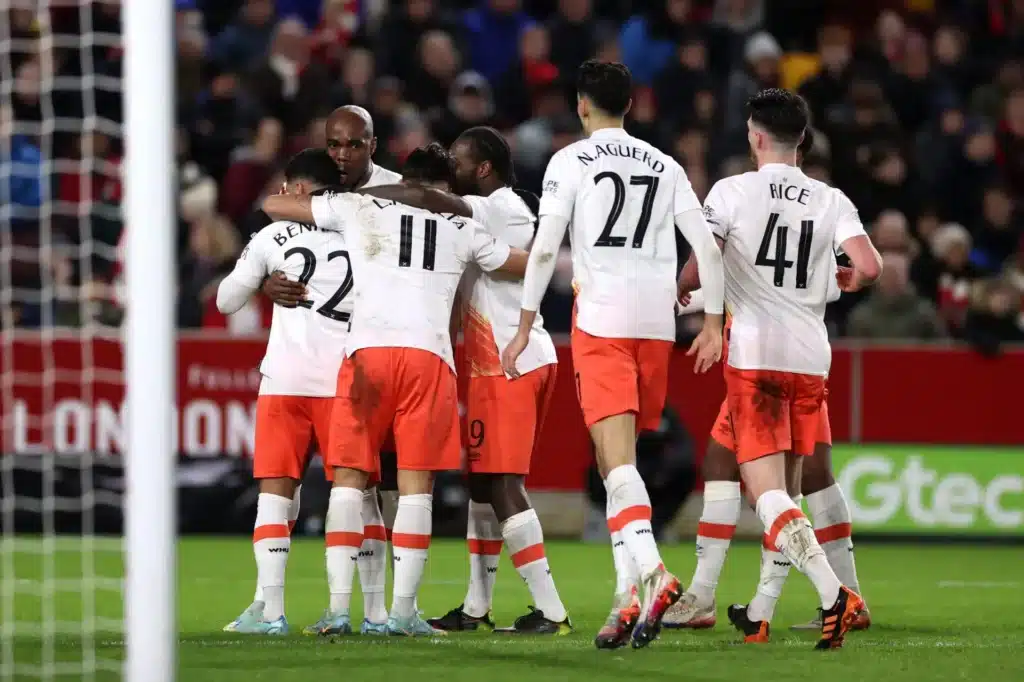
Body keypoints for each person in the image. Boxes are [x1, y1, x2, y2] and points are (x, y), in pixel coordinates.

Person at [261, 143, 531, 637]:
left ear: (404, 180)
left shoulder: (359, 206)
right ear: (446, 187)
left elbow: (274, 204)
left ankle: (338, 612)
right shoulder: (463, 226)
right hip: (429, 358)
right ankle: (404, 613)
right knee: (415, 489)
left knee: (348, 480)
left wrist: (388, 194)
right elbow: (525, 265)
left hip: (367, 354)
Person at [501, 59, 726, 650]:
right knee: (613, 463)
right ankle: (626, 597)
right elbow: (706, 247)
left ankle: (652, 573)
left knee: (617, 461)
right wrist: (714, 321)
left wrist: (523, 326)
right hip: (655, 323)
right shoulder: (666, 164)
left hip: (602, 318)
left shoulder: (570, 160)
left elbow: (544, 249)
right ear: (630, 104)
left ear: (581, 105)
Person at [356, 126, 572, 635]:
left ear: (484, 168)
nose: (451, 168)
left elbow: (430, 199)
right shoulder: (490, 212)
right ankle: (477, 607)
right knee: (481, 484)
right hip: (494, 361)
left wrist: (361, 195)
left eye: (459, 160)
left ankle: (552, 610)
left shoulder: (496, 208)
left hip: (508, 362)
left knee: (502, 483)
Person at [664, 129, 871, 635]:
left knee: (785, 486)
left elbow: (706, 266)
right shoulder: (826, 201)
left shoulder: (738, 193)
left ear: (756, 137)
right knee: (733, 462)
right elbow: (858, 270)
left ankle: (836, 595)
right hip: (809, 357)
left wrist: (677, 291)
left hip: (757, 358)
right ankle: (744, 604)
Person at [256, 105, 404, 636]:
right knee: (334, 487)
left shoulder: (394, 193)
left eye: (354, 145)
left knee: (367, 491)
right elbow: (272, 219)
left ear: (373, 145)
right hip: (316, 364)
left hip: (371, 356)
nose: (342, 155)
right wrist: (267, 281)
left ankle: (379, 612)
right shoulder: (319, 195)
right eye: (334, 144)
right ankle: (272, 604)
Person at [216, 148, 352, 635]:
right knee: (354, 494)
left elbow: (225, 300)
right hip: (344, 381)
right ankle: (346, 611)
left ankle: (270, 611)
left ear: (296, 189)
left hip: (286, 381)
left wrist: (262, 285)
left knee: (276, 492)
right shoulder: (362, 231)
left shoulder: (272, 235)